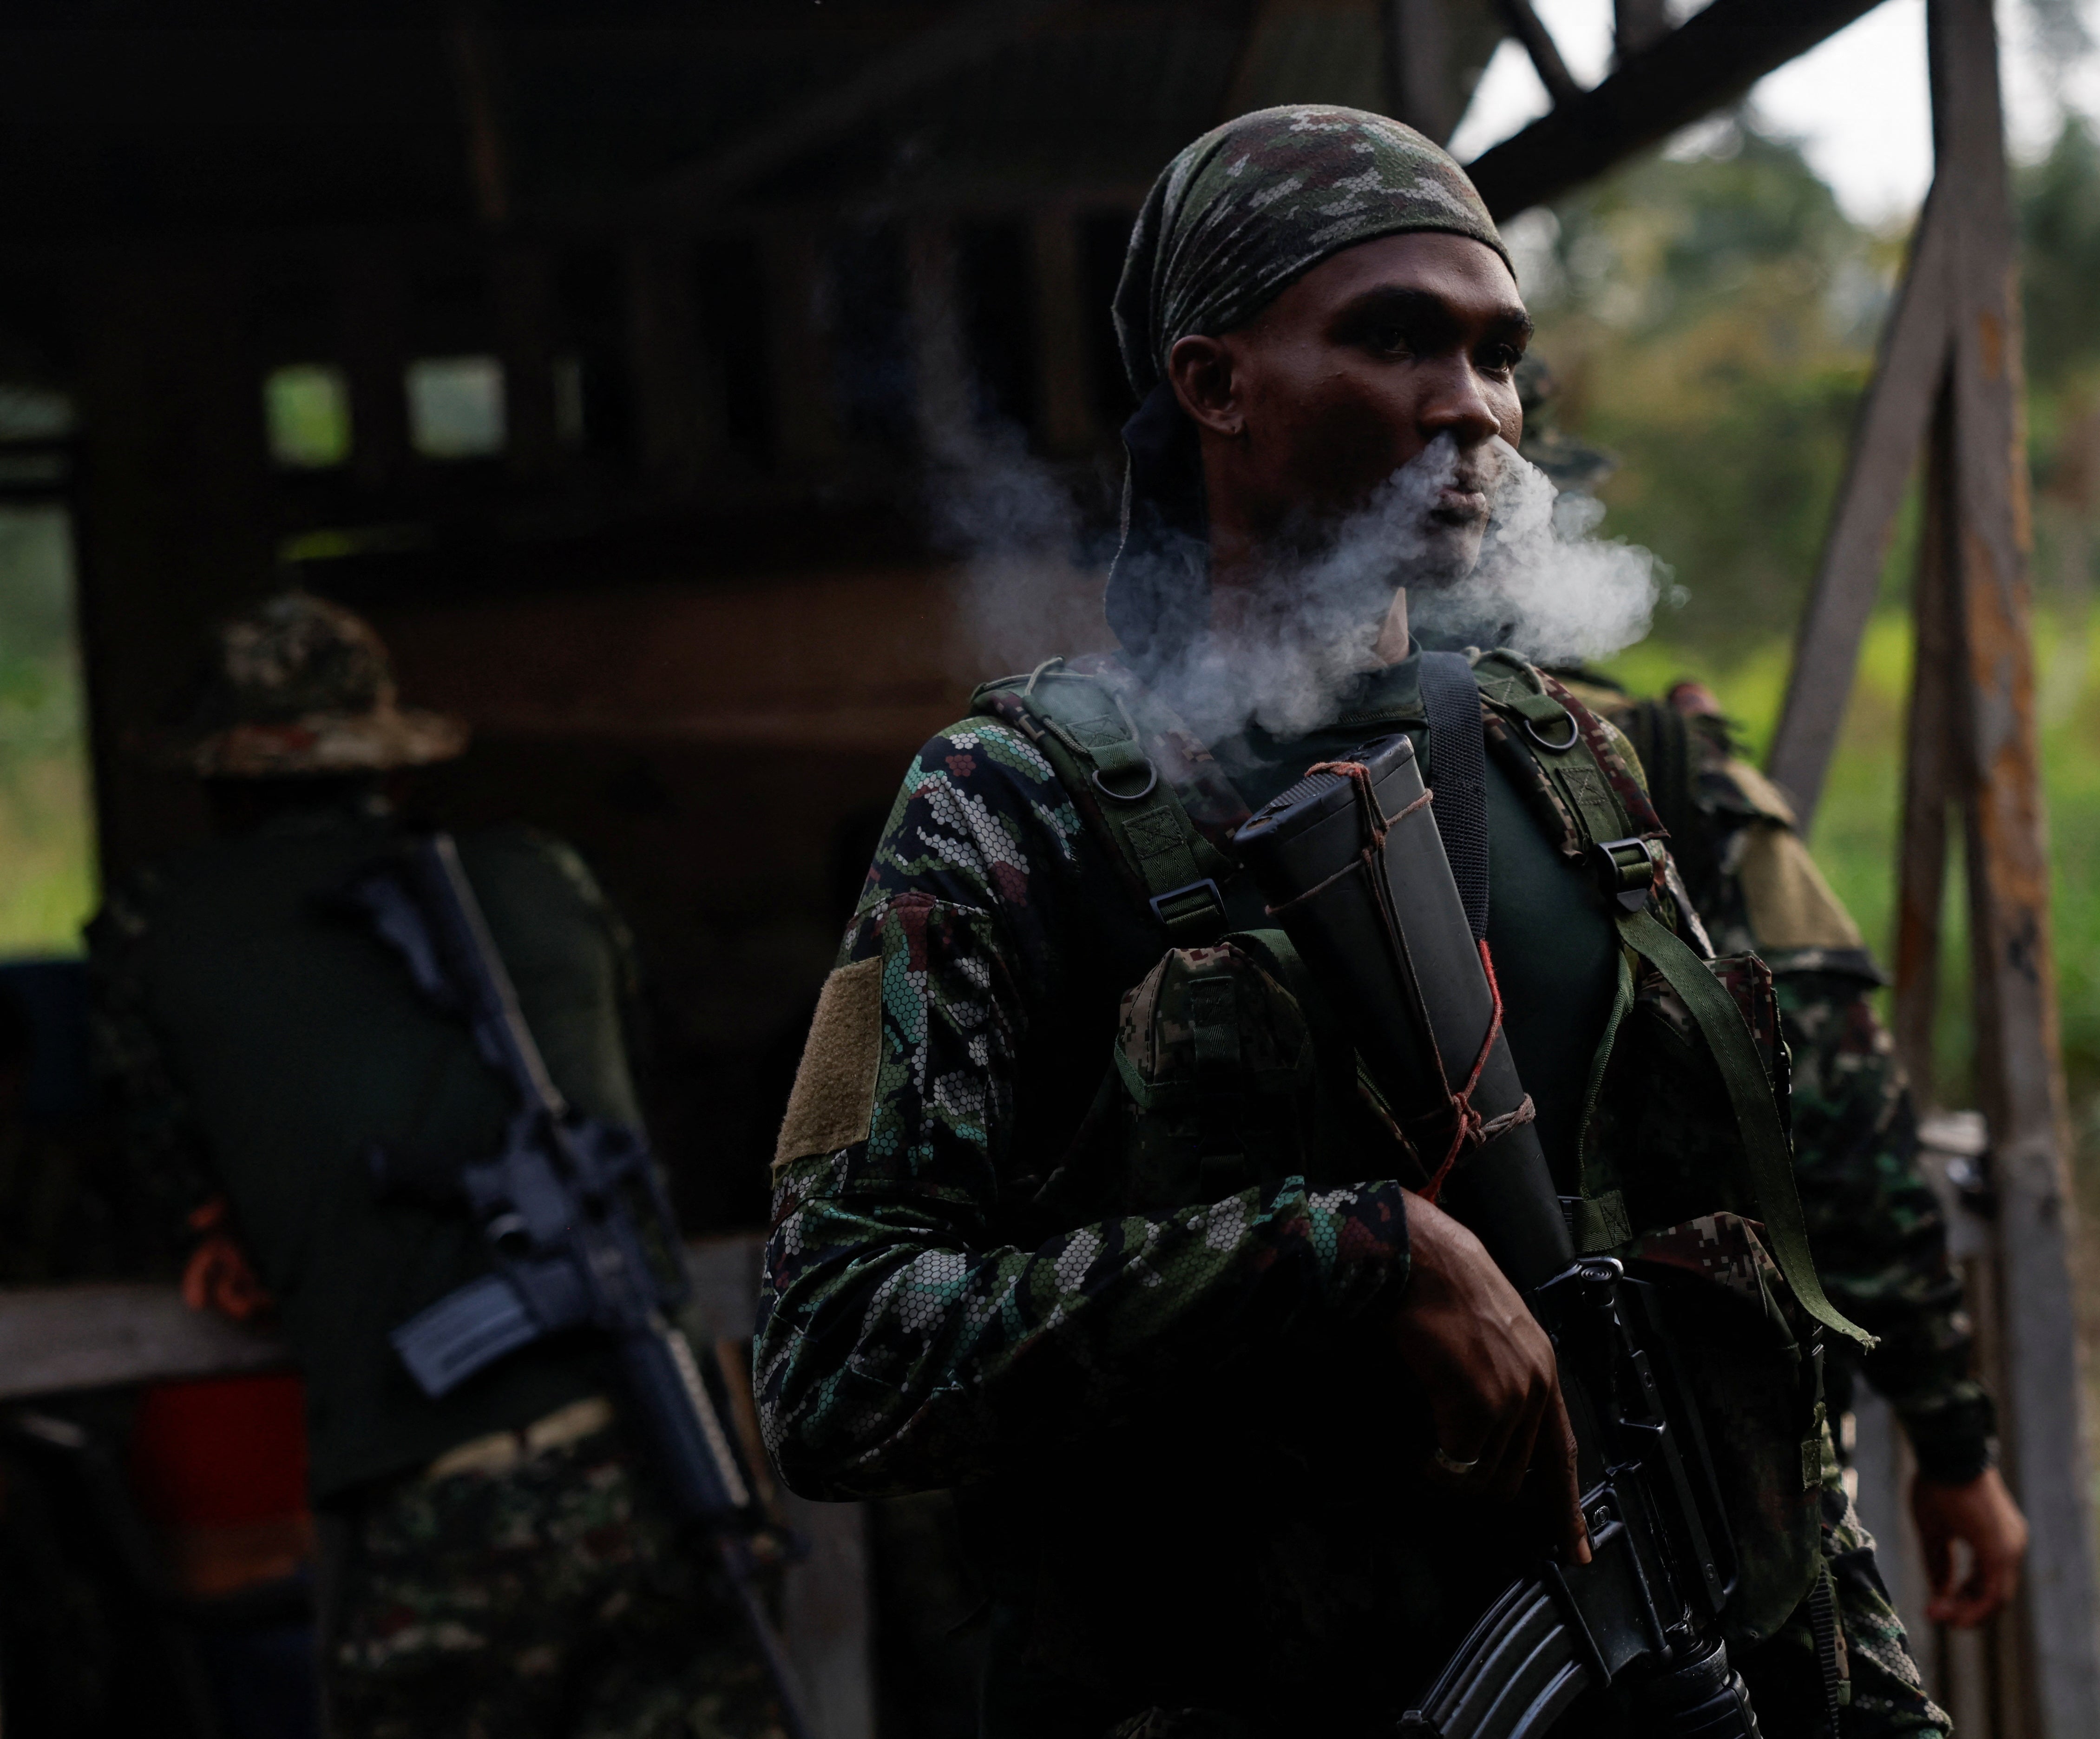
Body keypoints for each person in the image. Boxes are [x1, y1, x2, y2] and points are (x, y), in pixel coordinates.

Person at [757, 106, 1946, 1738]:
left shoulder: (1572, 767)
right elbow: (836, 1363)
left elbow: (1738, 1362)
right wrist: (1345, 1256)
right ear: (1216, 383)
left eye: (1499, 354)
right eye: (1395, 339)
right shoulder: (1012, 803)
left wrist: (1877, 1706)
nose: (1473, 407)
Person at [87, 592, 787, 1739]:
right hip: (668, 1465)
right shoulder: (545, 878)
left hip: (439, 1506)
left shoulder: (156, 930)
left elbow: (175, 1183)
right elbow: (629, 1081)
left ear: (217, 781)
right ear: (395, 767)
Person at [1581, 678, 2029, 1633]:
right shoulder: (1639, 759)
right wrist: (1952, 1445)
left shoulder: (1233, 740)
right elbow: (1837, 1137)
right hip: (1686, 1450)